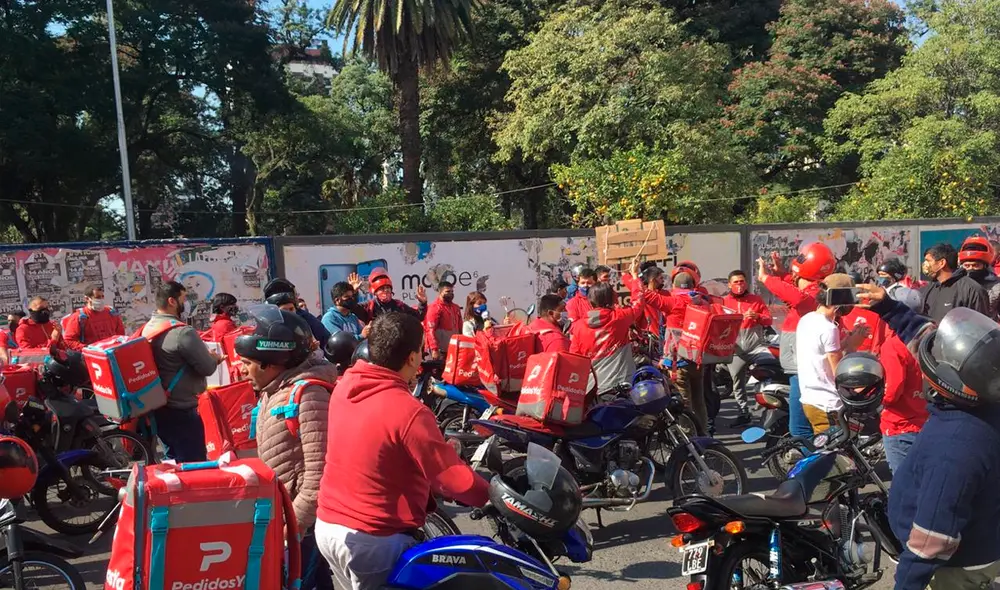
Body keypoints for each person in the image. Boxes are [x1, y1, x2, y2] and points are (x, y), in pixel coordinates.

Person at [316, 312, 490, 589]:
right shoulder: (408, 411)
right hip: (373, 538)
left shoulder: (345, 386)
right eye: (421, 350)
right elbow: (450, 478)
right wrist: (494, 496)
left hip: (329, 525)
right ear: (411, 358)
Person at [856, 285, 1000, 590]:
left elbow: (933, 538)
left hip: (955, 566)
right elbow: (929, 341)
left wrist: (907, 584)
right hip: (984, 540)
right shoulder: (986, 395)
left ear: (948, 381)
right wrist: (888, 307)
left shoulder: (954, 445)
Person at [236, 304, 335, 590]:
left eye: (248, 363)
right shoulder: (275, 390)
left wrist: (295, 524)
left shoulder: (309, 395)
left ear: (271, 362)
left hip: (303, 523)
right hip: (288, 515)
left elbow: (320, 474)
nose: (242, 371)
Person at [757, 242, 836, 439]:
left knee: (799, 429)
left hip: (801, 372)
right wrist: (780, 274)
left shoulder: (812, 296)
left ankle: (814, 458)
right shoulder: (816, 292)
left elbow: (796, 296)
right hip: (798, 369)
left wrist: (766, 278)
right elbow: (794, 289)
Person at [143, 281, 224, 463]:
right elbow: (207, 367)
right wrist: (214, 358)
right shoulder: (182, 333)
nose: (186, 303)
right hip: (182, 409)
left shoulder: (148, 327)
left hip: (159, 406)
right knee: (193, 464)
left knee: (172, 462)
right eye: (184, 298)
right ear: (172, 301)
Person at [795, 274, 870, 434]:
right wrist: (853, 346)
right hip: (827, 402)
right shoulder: (829, 328)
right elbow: (840, 372)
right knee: (834, 447)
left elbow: (822, 352)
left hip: (811, 397)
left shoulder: (807, 319)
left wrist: (848, 340)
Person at [570, 260, 644, 395]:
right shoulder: (619, 317)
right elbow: (638, 302)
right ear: (612, 300)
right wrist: (634, 276)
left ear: (590, 301)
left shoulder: (578, 327)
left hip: (594, 390)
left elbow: (575, 359)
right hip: (622, 386)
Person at [721, 270, 772, 426]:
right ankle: (743, 413)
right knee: (737, 382)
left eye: (742, 281)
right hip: (735, 350)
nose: (739, 285)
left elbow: (768, 320)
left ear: (746, 283)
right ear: (729, 284)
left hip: (756, 348)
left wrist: (757, 316)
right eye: (736, 282)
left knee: (768, 373)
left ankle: (769, 410)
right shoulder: (723, 302)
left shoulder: (756, 300)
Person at [919, 243, 989, 322]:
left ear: (942, 263)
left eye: (928, 261)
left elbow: (980, 324)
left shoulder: (972, 290)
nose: (925, 265)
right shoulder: (928, 290)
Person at [264, 277, 331, 344]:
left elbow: (326, 340)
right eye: (284, 310)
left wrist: (313, 347)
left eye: (291, 309)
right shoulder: (263, 321)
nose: (289, 313)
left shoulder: (305, 319)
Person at [61, 285, 125, 350]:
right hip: (92, 354)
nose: (101, 299)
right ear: (87, 299)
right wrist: (88, 349)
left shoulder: (112, 313)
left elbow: (121, 335)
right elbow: (68, 340)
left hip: (111, 353)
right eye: (97, 297)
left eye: (102, 296)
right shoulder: (78, 317)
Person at [354, 269, 427, 324]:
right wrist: (353, 293)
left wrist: (422, 303)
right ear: (375, 292)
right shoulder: (369, 307)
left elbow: (419, 316)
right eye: (382, 288)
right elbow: (352, 307)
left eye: (388, 288)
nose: (386, 290)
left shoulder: (399, 306)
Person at [957, 235, 1000, 318]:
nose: (971, 269)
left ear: (985, 266)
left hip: (987, 325)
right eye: (967, 266)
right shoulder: (954, 285)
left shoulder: (997, 286)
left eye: (976, 265)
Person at [423, 281, 462, 359]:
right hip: (439, 351)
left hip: (453, 349)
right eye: (447, 291)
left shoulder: (456, 307)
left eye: (452, 291)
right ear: (440, 292)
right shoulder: (435, 307)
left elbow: (460, 329)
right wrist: (434, 349)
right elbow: (430, 330)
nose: (450, 294)